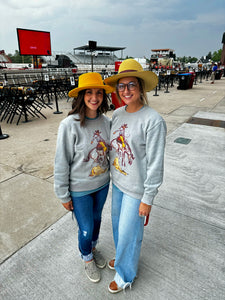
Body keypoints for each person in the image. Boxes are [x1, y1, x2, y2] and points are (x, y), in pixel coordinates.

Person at [104, 59, 167, 293]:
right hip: (118, 183)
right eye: (122, 86)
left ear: (140, 87)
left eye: (131, 85)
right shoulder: (117, 114)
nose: (126, 90)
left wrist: (148, 198)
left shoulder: (153, 120)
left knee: (131, 233)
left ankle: (125, 274)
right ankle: (121, 258)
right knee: (119, 228)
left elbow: (155, 163)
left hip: (137, 189)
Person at [54, 72, 114, 283]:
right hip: (79, 189)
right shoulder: (69, 125)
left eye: (99, 93)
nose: (94, 97)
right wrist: (63, 194)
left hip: (102, 185)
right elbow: (61, 161)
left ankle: (93, 248)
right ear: (81, 96)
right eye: (89, 92)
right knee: (86, 227)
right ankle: (86, 257)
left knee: (97, 220)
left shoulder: (107, 122)